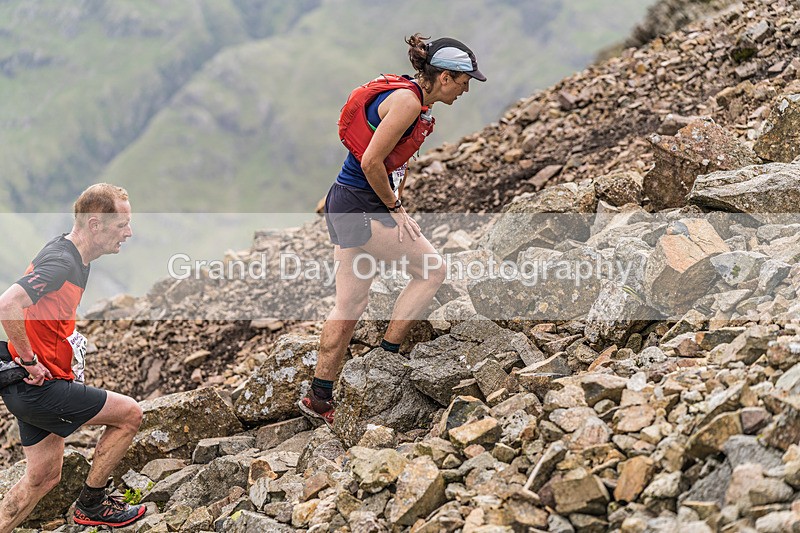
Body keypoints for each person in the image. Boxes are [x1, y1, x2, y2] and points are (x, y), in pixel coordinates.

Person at [298, 34, 486, 425]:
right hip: (362, 206)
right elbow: (371, 162)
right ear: (446, 76)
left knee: (349, 304)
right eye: (465, 81)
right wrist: (395, 208)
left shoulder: (409, 98)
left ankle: (319, 397)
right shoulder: (406, 102)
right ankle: (385, 363)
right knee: (433, 270)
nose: (466, 90)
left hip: (345, 201)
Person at [0, 184, 146, 530]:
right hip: (40, 387)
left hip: (31, 389)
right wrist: (30, 360)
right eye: (122, 224)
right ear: (95, 224)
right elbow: (8, 304)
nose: (129, 232)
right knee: (130, 415)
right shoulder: (62, 261)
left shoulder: (75, 257)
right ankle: (92, 505)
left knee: (43, 477)